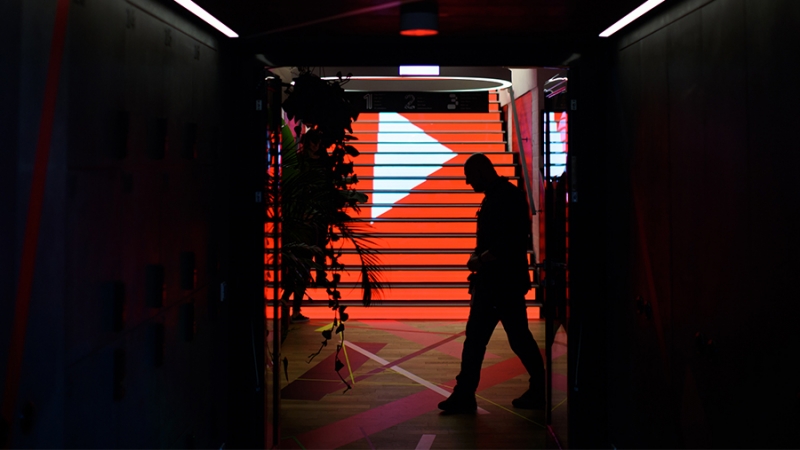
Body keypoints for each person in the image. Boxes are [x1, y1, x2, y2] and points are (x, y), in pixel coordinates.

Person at [438, 153, 546, 413]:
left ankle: (465, 394)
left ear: (481, 172)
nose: (468, 182)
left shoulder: (501, 197)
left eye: (469, 177)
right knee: (514, 338)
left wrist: (480, 259)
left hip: (499, 283)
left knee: (479, 340)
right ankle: (538, 387)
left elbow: (510, 242)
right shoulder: (505, 195)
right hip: (503, 283)